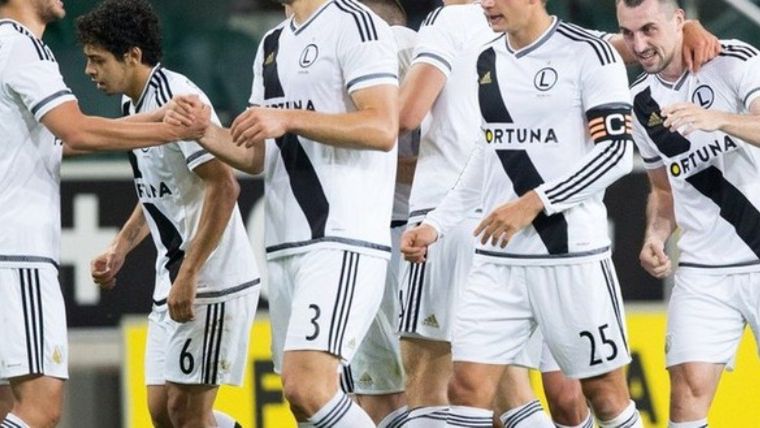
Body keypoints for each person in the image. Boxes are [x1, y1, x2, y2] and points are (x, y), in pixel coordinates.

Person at [401, 0, 643, 426]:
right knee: (466, 387)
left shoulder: (589, 53)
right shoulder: (487, 58)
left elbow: (616, 155)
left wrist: (535, 202)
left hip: (570, 257)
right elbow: (488, 154)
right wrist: (436, 222)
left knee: (604, 396)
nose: (487, 3)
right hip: (498, 259)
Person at [168, 0, 399, 425]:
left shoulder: (356, 24)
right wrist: (205, 132)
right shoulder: (272, 43)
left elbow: (383, 127)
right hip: (285, 243)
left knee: (307, 387)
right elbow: (256, 155)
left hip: (341, 235)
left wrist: (288, 118)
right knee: (305, 405)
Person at [0, 0, 207, 426]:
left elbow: (57, 143)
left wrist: (154, 119)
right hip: (16, 251)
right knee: (40, 408)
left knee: (7, 404)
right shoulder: (22, 46)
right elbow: (76, 131)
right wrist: (169, 130)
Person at [76, 1, 259, 427]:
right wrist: (121, 247)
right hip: (172, 276)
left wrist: (190, 274)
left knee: (186, 413)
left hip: (211, 278)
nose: (89, 71)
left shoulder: (179, 103)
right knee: (162, 411)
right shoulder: (133, 107)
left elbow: (225, 186)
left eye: (98, 60)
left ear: (132, 56)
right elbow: (158, 191)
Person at [619, 0, 760, 426]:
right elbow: (664, 190)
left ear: (679, 20)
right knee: (685, 394)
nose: (639, 45)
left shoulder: (733, 61)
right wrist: (655, 235)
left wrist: (719, 119)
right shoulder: (640, 103)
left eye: (648, 29)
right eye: (628, 33)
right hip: (703, 268)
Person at [343, 0, 415, 426]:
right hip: (394, 233)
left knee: (385, 396)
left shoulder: (397, 47)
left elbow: (446, 159)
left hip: (394, 234)